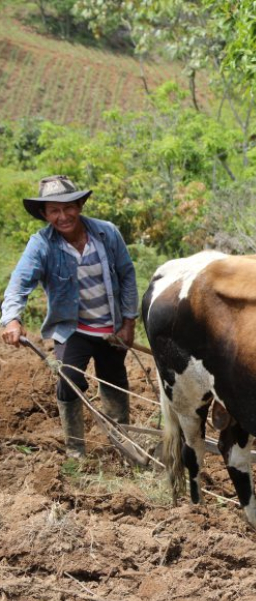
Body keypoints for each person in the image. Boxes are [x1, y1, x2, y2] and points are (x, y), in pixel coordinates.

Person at [1, 175, 139, 458]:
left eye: (68, 207)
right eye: (54, 210)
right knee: (67, 381)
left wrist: (128, 322)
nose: (63, 216)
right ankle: (76, 452)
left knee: (114, 382)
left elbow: (127, 276)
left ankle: (123, 447)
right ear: (45, 214)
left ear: (79, 205)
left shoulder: (107, 234)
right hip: (72, 330)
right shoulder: (41, 245)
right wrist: (11, 319)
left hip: (110, 328)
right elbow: (19, 283)